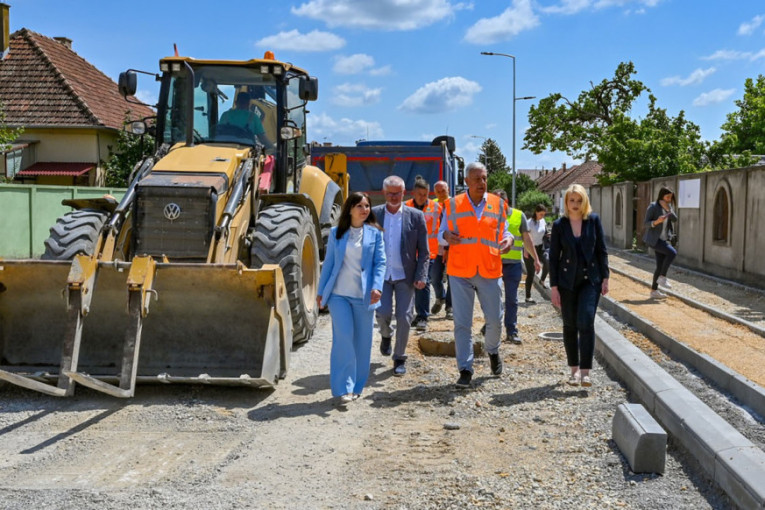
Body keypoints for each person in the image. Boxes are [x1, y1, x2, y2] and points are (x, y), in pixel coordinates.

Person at [439, 162, 514, 389]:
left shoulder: (498, 204)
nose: (482, 183)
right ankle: (465, 369)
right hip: (460, 271)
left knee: (494, 319)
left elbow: (505, 230)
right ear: (466, 182)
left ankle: (492, 350)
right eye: (477, 179)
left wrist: (508, 240)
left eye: (484, 178)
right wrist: (446, 236)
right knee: (462, 323)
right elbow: (440, 233)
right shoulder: (452, 205)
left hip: (489, 269)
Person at [317, 192, 386, 406]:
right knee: (344, 338)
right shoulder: (337, 233)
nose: (365, 210)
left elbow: (380, 263)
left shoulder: (375, 234)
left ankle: (357, 386)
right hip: (339, 295)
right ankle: (342, 388)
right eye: (360, 206)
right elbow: (328, 264)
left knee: (362, 343)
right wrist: (321, 291)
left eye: (367, 206)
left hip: (363, 296)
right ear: (350, 209)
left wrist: (377, 287)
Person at [549, 184, 610, 388]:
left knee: (586, 321)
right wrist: (554, 287)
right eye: (571, 200)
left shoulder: (593, 221)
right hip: (566, 282)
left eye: (579, 200)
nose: (575, 204)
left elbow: (601, 250)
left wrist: (605, 277)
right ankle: (574, 370)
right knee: (569, 325)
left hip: (590, 280)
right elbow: (554, 258)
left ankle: (586, 372)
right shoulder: (559, 225)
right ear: (565, 202)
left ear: (585, 201)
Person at [373, 176, 429, 377]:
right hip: (382, 276)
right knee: (382, 313)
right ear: (384, 192)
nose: (394, 196)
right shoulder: (374, 215)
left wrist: (422, 275)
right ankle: (386, 334)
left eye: (397, 193)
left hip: (406, 276)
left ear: (404, 193)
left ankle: (399, 357)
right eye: (390, 193)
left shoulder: (415, 216)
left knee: (405, 318)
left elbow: (424, 251)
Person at [491, 189, 540, 345]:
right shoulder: (489, 216)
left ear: (506, 202)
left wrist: (536, 259)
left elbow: (527, 239)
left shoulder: (519, 216)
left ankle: (511, 331)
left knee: (512, 299)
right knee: (493, 300)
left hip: (513, 265)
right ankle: (490, 327)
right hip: (493, 264)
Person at [405, 176, 441, 331]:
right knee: (409, 285)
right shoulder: (405, 207)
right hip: (410, 253)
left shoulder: (436, 208)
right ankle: (413, 314)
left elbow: (442, 229)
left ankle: (422, 316)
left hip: (429, 253)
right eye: (420, 194)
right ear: (413, 193)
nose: (422, 198)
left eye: (425, 194)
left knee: (423, 283)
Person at [643, 187, 678, 300]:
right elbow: (646, 223)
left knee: (659, 266)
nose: (669, 199)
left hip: (663, 239)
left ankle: (654, 291)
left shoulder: (668, 206)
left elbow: (675, 219)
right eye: (667, 197)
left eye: (670, 197)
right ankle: (662, 277)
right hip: (654, 240)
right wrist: (656, 222)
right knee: (672, 253)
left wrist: (668, 210)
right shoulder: (653, 206)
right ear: (661, 196)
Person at [430, 180, 452, 319]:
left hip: (452, 247)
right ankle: (440, 297)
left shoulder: (455, 204)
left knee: (452, 278)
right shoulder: (433, 205)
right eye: (438, 192)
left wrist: (448, 247)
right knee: (434, 276)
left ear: (448, 189)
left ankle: (450, 307)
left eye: (443, 191)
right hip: (436, 248)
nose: (441, 194)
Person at [524, 204, 550, 302]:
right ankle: (528, 296)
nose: (542, 216)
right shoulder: (529, 223)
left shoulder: (543, 221)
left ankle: (542, 280)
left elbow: (544, 232)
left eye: (544, 214)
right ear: (536, 212)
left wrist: (548, 235)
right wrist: (526, 250)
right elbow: (525, 237)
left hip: (540, 247)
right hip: (530, 248)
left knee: (547, 261)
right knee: (531, 273)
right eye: (541, 214)